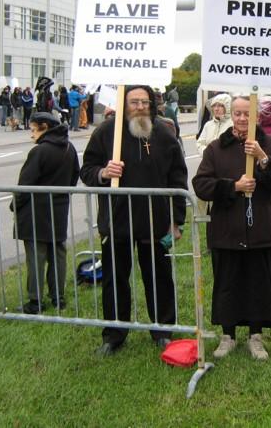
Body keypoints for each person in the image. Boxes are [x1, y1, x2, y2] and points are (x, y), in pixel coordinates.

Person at [80, 85, 188, 356]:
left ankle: (163, 330)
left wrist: (176, 220)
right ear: (123, 104)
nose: (140, 107)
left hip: (156, 222)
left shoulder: (164, 133)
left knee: (159, 279)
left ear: (151, 104)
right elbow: (87, 170)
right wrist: (104, 172)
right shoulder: (107, 133)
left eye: (144, 102)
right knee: (114, 280)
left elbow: (177, 178)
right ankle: (114, 334)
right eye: (133, 102)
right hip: (117, 222)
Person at [192, 96, 271, 361]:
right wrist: (233, 187)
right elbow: (201, 184)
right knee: (228, 282)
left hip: (262, 228)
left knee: (258, 283)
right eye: (237, 113)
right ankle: (228, 335)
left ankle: (255, 336)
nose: (242, 119)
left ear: (257, 116)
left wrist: (262, 158)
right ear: (231, 115)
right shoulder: (216, 148)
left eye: (247, 114)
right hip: (227, 228)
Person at [11, 112, 80, 314]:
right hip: (58, 208)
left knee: (36, 257)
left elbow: (25, 184)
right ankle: (58, 297)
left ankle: (36, 301)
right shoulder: (69, 148)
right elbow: (74, 177)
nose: (31, 134)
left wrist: (15, 205)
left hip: (35, 211)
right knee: (58, 253)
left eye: (33, 129)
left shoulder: (39, 152)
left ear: (44, 127)